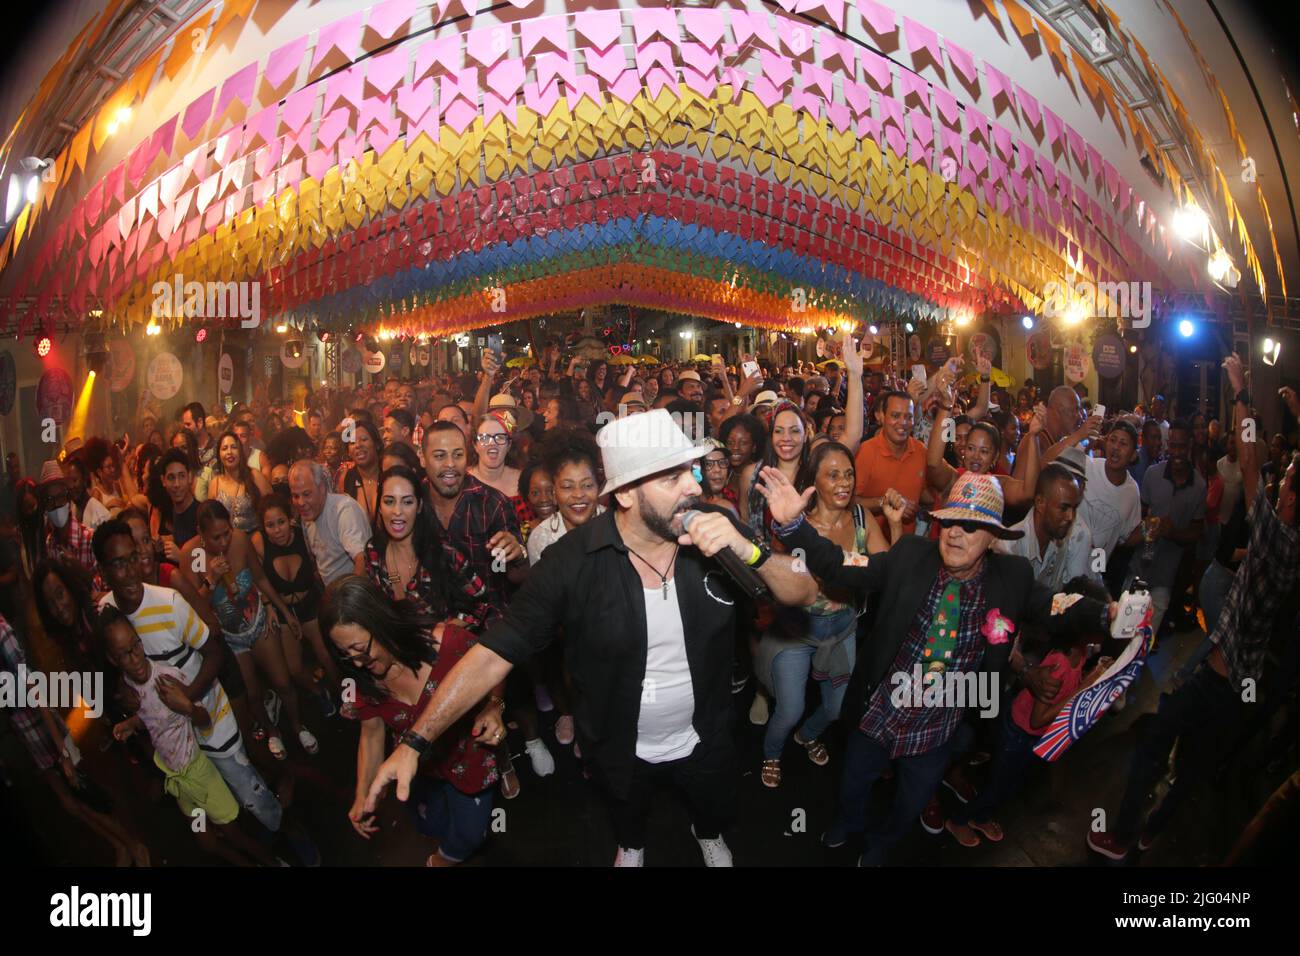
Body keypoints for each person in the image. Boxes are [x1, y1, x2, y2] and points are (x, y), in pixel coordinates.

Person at [361, 410, 819, 866]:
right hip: (618, 742)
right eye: (672, 477)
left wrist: (749, 549)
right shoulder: (570, 562)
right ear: (624, 494)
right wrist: (415, 741)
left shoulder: (715, 531)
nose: (694, 487)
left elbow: (804, 590)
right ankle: (633, 844)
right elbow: (492, 653)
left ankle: (709, 834)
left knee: (710, 801)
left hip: (707, 733)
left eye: (691, 471)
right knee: (627, 809)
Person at [758, 469, 1115, 865]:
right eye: (949, 520)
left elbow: (1056, 606)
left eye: (971, 525)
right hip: (881, 711)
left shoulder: (1012, 578)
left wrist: (1105, 614)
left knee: (909, 808)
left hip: (938, 726)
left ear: (994, 536)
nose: (955, 533)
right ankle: (844, 824)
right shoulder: (909, 555)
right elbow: (842, 564)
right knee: (852, 784)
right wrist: (792, 524)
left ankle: (879, 849)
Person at [1090, 357, 1300, 860]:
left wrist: (1241, 393)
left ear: (1291, 499)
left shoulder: (1277, 536)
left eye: (1288, 478)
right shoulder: (1291, 546)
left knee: (1152, 747)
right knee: (1196, 767)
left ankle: (1119, 838)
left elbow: (1249, 463)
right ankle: (1152, 829)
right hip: (1243, 682)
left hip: (1217, 680)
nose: (1279, 479)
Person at [93, 519, 284, 833]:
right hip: (173, 733)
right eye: (118, 564)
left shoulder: (169, 604)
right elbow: (114, 662)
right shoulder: (106, 611)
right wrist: (124, 691)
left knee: (245, 782)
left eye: (132, 558)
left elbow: (214, 652)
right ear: (102, 569)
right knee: (215, 796)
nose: (130, 571)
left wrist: (188, 698)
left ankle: (282, 826)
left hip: (206, 710)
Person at [326, 576, 503, 866]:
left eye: (360, 649)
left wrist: (494, 706)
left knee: (472, 834)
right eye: (345, 654)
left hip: (469, 757)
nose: (356, 662)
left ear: (380, 623)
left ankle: (446, 858)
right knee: (431, 825)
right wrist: (362, 795)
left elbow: (493, 663)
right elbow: (371, 735)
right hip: (421, 771)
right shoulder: (360, 679)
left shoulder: (446, 643)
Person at [755, 442, 901, 788]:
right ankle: (771, 753)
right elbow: (780, 584)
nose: (844, 482)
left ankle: (807, 736)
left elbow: (890, 571)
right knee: (789, 709)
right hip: (798, 631)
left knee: (837, 710)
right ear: (814, 481)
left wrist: (894, 525)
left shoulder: (863, 519)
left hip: (841, 631)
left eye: (848, 474)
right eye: (832, 474)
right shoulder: (795, 527)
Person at [100, 607, 277, 866]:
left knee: (235, 833)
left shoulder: (167, 679)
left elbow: (203, 718)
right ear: (113, 660)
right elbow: (154, 715)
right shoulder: (133, 689)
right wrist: (133, 723)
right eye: (124, 654)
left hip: (199, 773)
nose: (135, 658)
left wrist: (188, 708)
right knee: (206, 843)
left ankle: (271, 862)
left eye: (136, 646)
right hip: (177, 780)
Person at [946, 577, 1114, 848]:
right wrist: (1085, 685)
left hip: (1031, 736)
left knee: (1011, 783)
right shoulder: (1059, 661)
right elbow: (1039, 718)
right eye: (1099, 620)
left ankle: (982, 815)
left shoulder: (1080, 652)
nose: (1105, 626)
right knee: (998, 787)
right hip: (1020, 732)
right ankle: (960, 820)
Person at [0, 609, 150, 866]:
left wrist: (62, 750)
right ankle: (119, 845)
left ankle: (134, 843)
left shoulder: (2, 633)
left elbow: (33, 689)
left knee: (87, 792)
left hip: (43, 728)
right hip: (24, 729)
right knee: (70, 803)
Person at [178, 501, 318, 759]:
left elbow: (260, 578)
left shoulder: (241, 541)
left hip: (258, 622)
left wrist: (284, 611)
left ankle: (298, 726)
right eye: (215, 537)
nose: (223, 541)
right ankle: (272, 731)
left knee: (282, 681)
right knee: (252, 693)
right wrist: (212, 579)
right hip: (230, 639)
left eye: (226, 532)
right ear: (201, 533)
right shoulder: (191, 556)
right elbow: (193, 610)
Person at [1127, 419, 1205, 636]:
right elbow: (1138, 518)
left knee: (1145, 637)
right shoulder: (1153, 474)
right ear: (1168, 444)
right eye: (1173, 446)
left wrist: (1174, 533)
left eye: (1181, 447)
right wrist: (1148, 527)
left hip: (1166, 577)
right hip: (1140, 567)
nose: (1177, 452)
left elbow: (1196, 532)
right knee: (1125, 628)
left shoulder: (1198, 486)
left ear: (1189, 446)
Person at [995, 464, 1094, 590]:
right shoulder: (1008, 549)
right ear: (1040, 503)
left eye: (1074, 508)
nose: (1070, 517)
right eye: (1063, 508)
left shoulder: (1060, 546)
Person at [854, 391, 926, 540]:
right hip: (869, 548)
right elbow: (850, 502)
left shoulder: (921, 452)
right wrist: (885, 502)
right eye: (895, 416)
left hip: (905, 547)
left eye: (908, 417)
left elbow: (929, 493)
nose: (903, 422)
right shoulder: (865, 451)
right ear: (882, 417)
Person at [290, 460, 370, 585]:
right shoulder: (307, 515)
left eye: (306, 494)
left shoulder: (344, 510)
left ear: (322, 488)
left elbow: (363, 560)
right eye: (295, 496)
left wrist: (348, 599)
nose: (300, 502)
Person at [208, 430, 272, 534]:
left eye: (234, 447)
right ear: (219, 454)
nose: (229, 452)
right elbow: (210, 520)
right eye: (224, 448)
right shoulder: (215, 483)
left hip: (254, 541)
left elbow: (272, 507)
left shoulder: (254, 476)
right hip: (226, 543)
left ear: (240, 452)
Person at [37, 461, 96, 571]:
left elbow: (104, 585)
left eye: (60, 497)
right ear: (45, 507)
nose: (56, 506)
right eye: (50, 500)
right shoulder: (50, 543)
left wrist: (79, 569)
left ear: (68, 499)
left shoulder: (90, 539)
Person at [148, 449, 200, 567]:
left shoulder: (201, 514)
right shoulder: (171, 511)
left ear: (190, 477)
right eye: (171, 477)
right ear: (163, 481)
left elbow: (210, 565)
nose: (177, 484)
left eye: (181, 476)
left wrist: (182, 557)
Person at [470, 411, 521, 500]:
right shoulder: (463, 482)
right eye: (485, 438)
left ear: (509, 445)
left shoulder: (523, 481)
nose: (492, 443)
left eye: (500, 437)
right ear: (475, 446)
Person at [339, 418, 383, 517]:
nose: (358, 445)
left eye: (364, 439)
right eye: (352, 443)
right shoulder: (346, 478)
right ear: (348, 452)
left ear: (377, 444)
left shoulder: (389, 473)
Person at [181, 401, 218, 473]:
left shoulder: (218, 448)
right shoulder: (184, 450)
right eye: (184, 425)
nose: (185, 428)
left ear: (200, 422)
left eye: (188, 424)